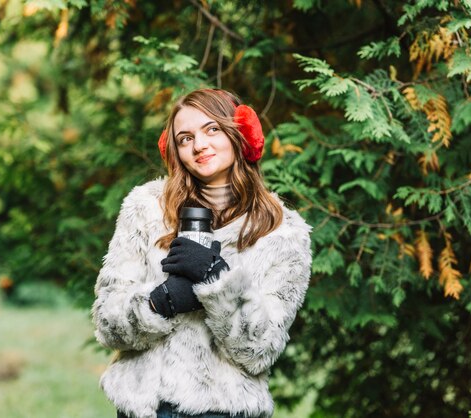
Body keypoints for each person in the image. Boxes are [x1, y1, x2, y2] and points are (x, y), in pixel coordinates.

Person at [92, 88, 312, 418]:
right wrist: (160, 301)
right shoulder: (146, 209)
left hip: (221, 412)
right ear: (175, 150)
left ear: (240, 133)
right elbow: (106, 322)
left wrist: (217, 281)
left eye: (212, 129)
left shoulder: (282, 232)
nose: (199, 145)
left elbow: (260, 350)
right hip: (145, 409)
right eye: (185, 138)